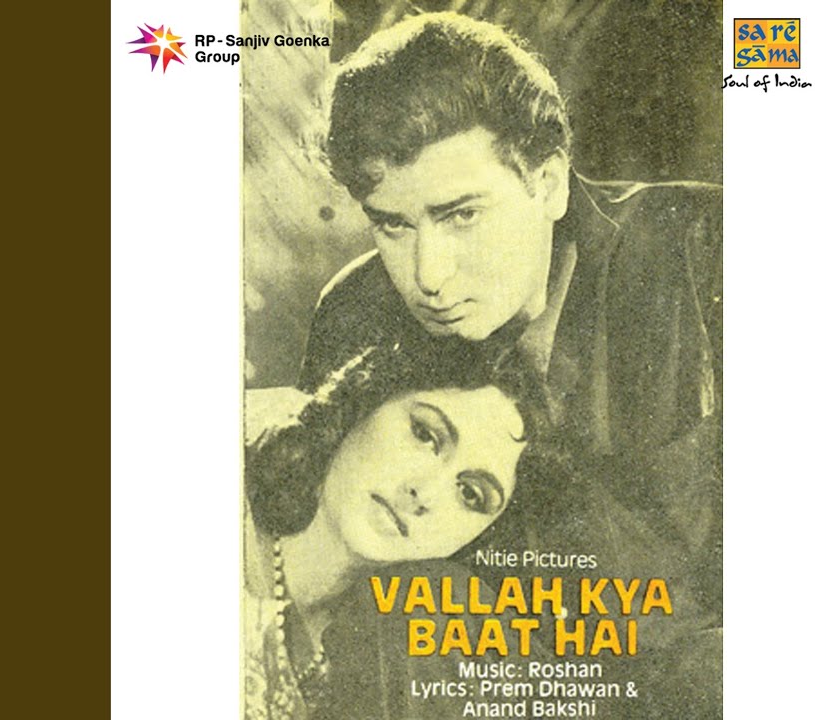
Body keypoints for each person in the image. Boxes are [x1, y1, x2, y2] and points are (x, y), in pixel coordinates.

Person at [286, 11, 723, 717]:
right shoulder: (356, 313)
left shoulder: (709, 248)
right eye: (393, 224)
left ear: (548, 182)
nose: (428, 275)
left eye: (461, 215)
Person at [243, 342, 551, 720]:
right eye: (425, 435)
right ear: (368, 396)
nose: (425, 492)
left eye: (470, 494)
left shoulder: (381, 663)